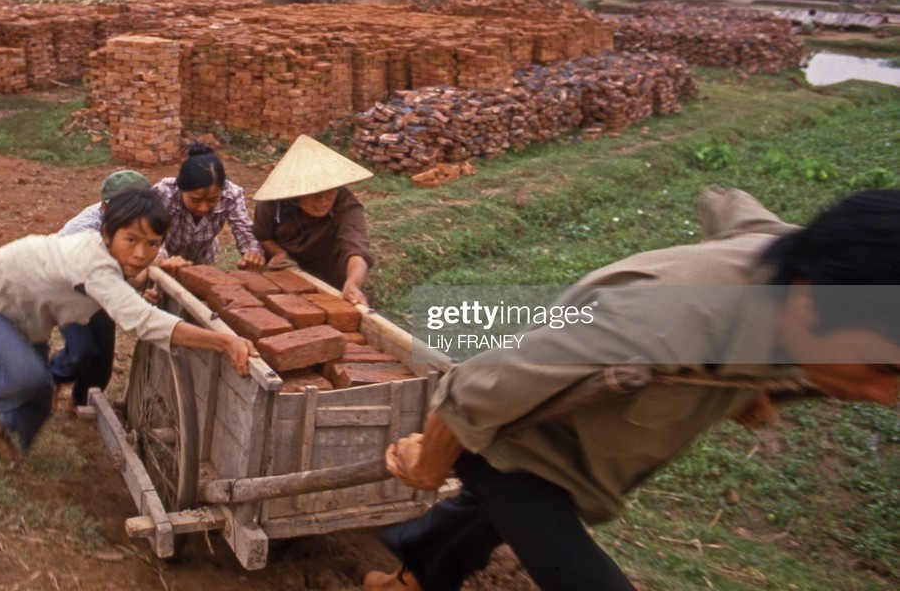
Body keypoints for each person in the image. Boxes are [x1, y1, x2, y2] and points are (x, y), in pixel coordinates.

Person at [364, 187, 900, 591]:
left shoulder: (793, 266)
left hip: (591, 445)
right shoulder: (664, 313)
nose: (887, 394)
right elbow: (479, 384)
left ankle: (410, 569)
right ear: (807, 299)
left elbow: (731, 204)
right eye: (882, 369)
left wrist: (752, 384)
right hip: (516, 443)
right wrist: (431, 464)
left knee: (479, 524)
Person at [0, 187, 257, 463]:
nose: (141, 253)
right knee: (26, 376)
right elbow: (142, 320)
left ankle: (4, 430)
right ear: (109, 233)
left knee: (43, 393)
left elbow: (125, 281)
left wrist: (153, 271)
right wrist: (225, 341)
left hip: (30, 314)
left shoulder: (106, 255)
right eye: (132, 240)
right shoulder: (92, 262)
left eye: (153, 244)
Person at [50, 169, 150, 408]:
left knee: (103, 362)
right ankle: (52, 376)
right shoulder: (82, 232)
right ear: (105, 208)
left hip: (100, 296)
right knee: (81, 353)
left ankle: (81, 403)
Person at [252, 134, 375, 306]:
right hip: (285, 276)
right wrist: (281, 255)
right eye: (314, 193)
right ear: (297, 191)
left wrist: (352, 283)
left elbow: (356, 249)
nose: (323, 200)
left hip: (330, 277)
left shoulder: (346, 205)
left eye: (329, 191)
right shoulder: (272, 206)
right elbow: (264, 236)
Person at [151, 142, 265, 271]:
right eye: (195, 200)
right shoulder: (164, 192)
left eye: (212, 200)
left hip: (202, 257)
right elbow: (150, 230)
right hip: (164, 255)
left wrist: (253, 253)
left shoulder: (231, 194)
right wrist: (160, 259)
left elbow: (244, 230)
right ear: (181, 188)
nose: (203, 208)